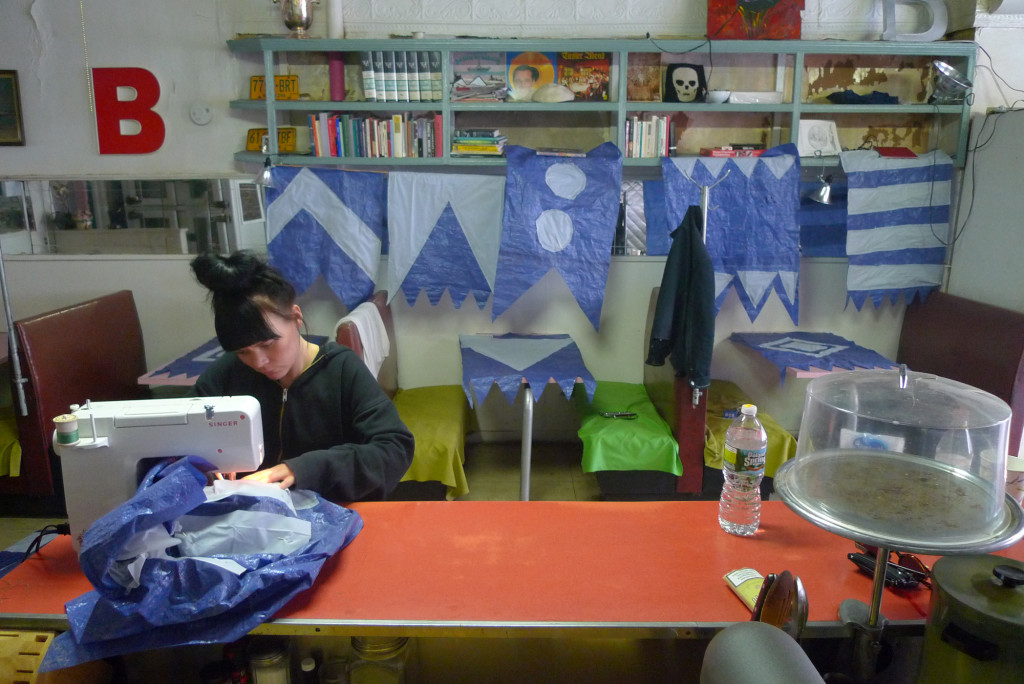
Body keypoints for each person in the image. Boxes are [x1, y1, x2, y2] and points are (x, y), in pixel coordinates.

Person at [188, 250, 414, 502]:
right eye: (243, 351)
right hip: (253, 521)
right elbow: (184, 435)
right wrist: (209, 458)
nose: (258, 362)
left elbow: (394, 448)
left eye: (268, 344)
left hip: (334, 514)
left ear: (296, 317)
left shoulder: (340, 370)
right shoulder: (229, 372)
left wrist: (302, 469)